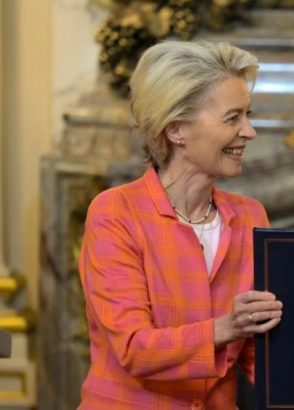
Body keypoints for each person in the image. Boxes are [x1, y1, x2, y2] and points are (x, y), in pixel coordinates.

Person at [78, 40, 283, 408]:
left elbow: (260, 354)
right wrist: (226, 327)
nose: (249, 131)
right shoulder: (115, 213)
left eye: (247, 115)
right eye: (233, 118)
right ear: (176, 130)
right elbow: (134, 348)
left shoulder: (251, 216)